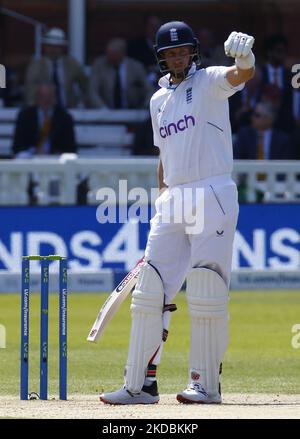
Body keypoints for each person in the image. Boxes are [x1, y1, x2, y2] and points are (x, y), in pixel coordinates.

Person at [100, 22, 255, 405]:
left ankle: (205, 384)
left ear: (193, 52)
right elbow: (163, 155)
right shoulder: (158, 100)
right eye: (170, 53)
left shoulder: (209, 82)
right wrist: (161, 196)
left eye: (183, 51)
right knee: (150, 288)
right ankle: (140, 385)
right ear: (161, 59)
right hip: (173, 199)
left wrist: (246, 58)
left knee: (205, 286)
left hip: (212, 191)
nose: (177, 57)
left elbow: (241, 75)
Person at [25, 28, 88, 108]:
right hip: (45, 111)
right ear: (44, 47)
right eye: (49, 46)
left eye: (57, 47)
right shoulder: (35, 66)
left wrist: (81, 102)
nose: (52, 49)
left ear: (63, 48)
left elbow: (86, 86)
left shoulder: (72, 64)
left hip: (69, 111)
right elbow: (30, 92)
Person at [13, 82, 76, 156]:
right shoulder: (25, 116)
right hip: (30, 157)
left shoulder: (64, 118)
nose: (46, 101)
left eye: (49, 97)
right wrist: (34, 151)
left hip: (56, 159)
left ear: (54, 98)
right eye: (42, 97)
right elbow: (17, 145)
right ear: (37, 98)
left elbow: (70, 148)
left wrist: (53, 153)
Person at [89, 38, 153, 109]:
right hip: (105, 111)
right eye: (108, 54)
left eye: (114, 54)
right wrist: (103, 109)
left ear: (123, 53)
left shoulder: (136, 67)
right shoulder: (99, 66)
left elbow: (149, 90)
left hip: (134, 111)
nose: (110, 57)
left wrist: (145, 107)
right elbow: (92, 91)